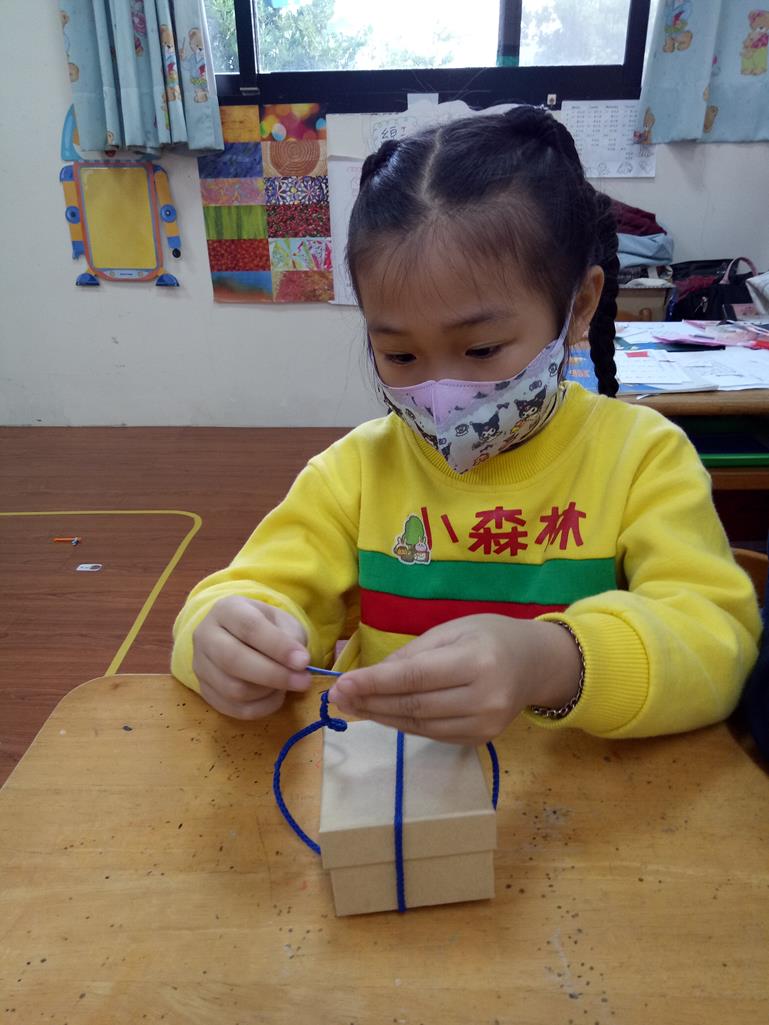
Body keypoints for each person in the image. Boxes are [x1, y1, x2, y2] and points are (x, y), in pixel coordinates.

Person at [172, 107, 761, 744]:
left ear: (579, 306)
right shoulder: (355, 474)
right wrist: (228, 637)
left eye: (481, 350)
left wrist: (551, 662)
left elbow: (718, 643)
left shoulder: (641, 459)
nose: (443, 394)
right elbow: (251, 592)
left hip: (576, 790)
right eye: (400, 355)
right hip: (395, 782)